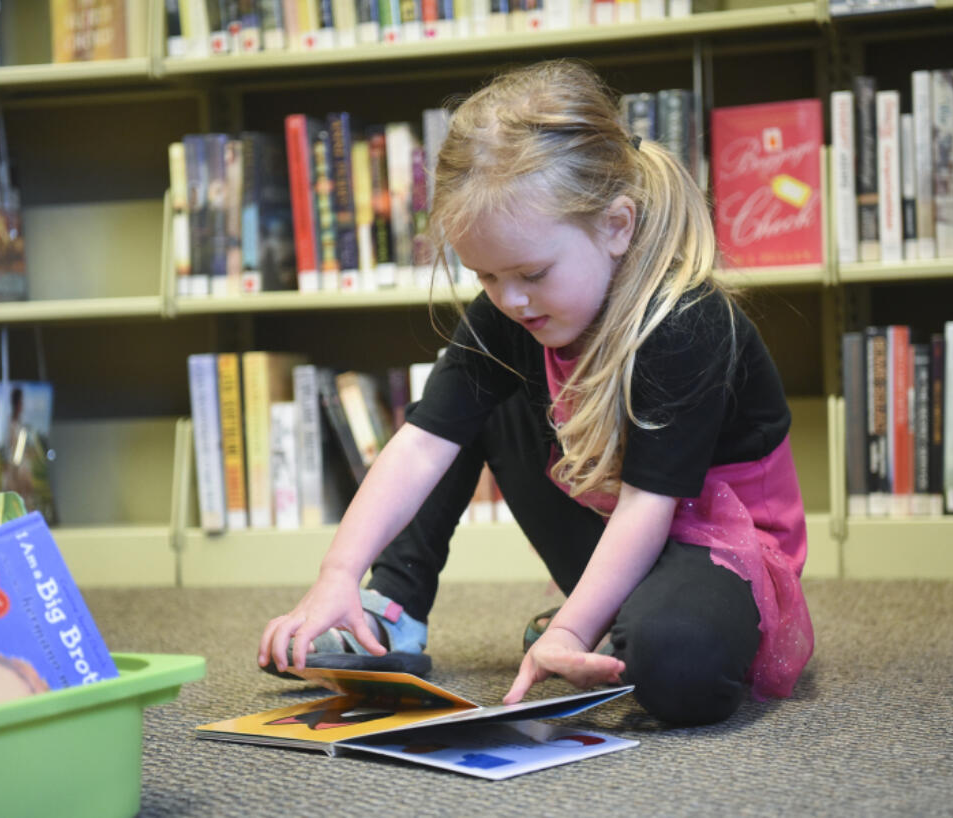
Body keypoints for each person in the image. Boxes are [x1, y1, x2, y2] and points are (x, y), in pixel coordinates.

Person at [258, 59, 813, 726]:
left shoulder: (686, 321)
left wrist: (571, 631)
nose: (509, 299)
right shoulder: (514, 306)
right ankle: (393, 610)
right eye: (485, 276)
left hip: (721, 550)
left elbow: (648, 506)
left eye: (531, 273)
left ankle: (605, 622)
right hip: (618, 528)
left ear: (616, 226)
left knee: (677, 666)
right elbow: (422, 444)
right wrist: (337, 574)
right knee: (460, 409)